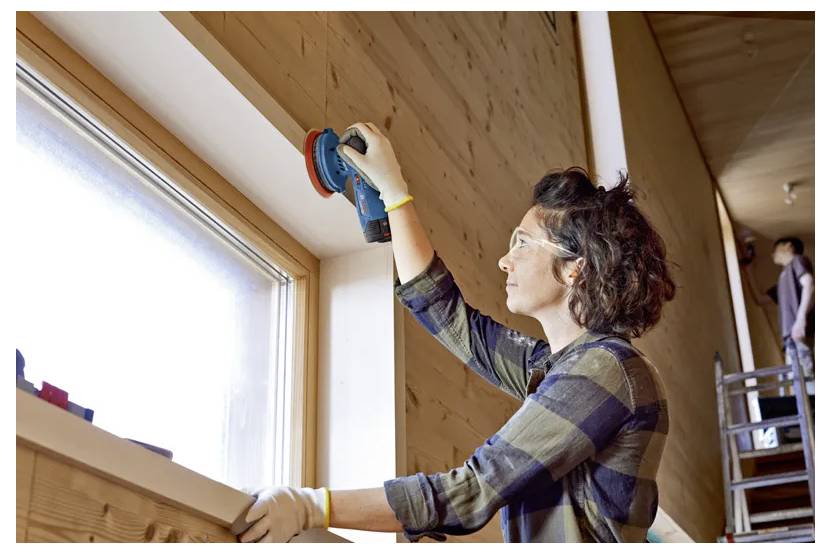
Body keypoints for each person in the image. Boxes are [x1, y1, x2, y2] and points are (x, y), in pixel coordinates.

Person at [236, 122, 677, 543]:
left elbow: (474, 489)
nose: (505, 261)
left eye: (522, 243)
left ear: (575, 267)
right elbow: (451, 318)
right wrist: (394, 194)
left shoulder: (608, 371)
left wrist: (312, 507)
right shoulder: (562, 368)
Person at [743, 236, 815, 378]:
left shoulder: (797, 260)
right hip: (790, 338)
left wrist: (800, 320)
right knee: (798, 383)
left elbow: (809, 284)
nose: (772, 254)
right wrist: (749, 270)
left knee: (807, 382)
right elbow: (759, 299)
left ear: (788, 246)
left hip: (800, 332)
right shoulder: (782, 281)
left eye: (775, 249)